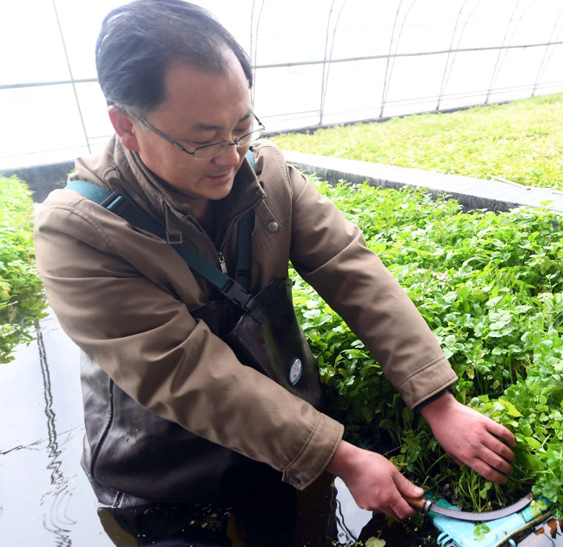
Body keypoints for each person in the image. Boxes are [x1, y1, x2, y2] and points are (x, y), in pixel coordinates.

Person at [33, 0, 515, 525]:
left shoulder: (268, 177)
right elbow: (184, 372)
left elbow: (348, 266)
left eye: (242, 125)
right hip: (166, 475)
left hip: (288, 439)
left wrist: (435, 400)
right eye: (202, 139)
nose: (231, 153)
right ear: (126, 126)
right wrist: (340, 456)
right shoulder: (79, 233)